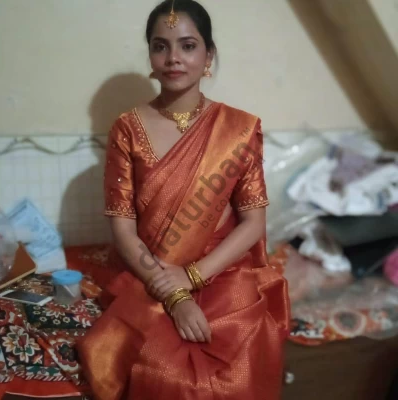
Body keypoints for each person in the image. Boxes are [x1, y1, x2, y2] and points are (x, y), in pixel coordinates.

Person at [78, 0, 290, 399]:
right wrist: (175, 295)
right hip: (151, 271)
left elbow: (253, 223)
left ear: (208, 55)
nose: (173, 57)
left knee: (242, 358)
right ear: (150, 55)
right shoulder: (127, 129)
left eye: (188, 46)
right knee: (160, 367)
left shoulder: (239, 129)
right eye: (160, 46)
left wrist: (193, 277)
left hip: (222, 271)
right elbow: (123, 230)